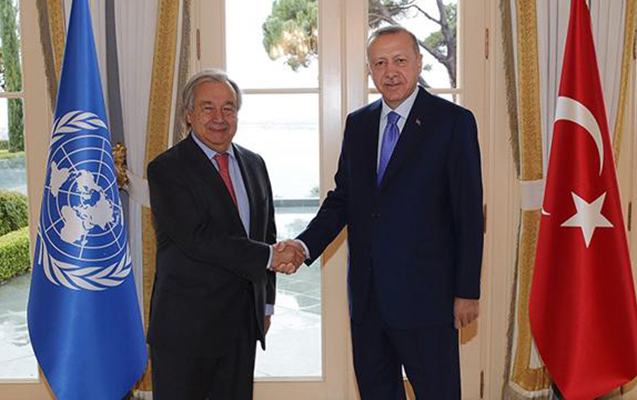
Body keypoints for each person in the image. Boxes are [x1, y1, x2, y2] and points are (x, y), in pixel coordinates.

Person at [275, 26, 484, 399]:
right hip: (368, 302)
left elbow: (468, 213)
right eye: (380, 63)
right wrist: (303, 246)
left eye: (400, 60)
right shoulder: (359, 124)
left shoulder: (453, 122)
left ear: (418, 62)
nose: (390, 72)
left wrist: (467, 291)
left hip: (428, 300)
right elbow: (343, 199)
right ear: (369, 69)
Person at [147, 69, 299, 399]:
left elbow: (266, 232)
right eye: (208, 108)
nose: (219, 118)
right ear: (188, 114)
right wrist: (271, 256)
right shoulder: (166, 169)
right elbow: (197, 239)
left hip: (241, 328)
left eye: (228, 108)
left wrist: (266, 304)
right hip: (186, 331)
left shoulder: (254, 164)